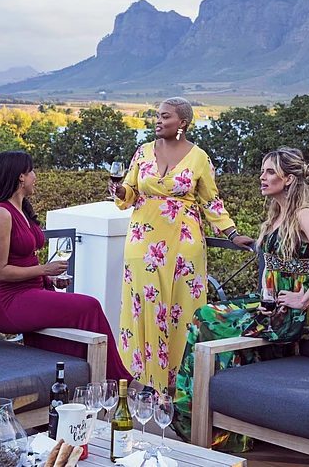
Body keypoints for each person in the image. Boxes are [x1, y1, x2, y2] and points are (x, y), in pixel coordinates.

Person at [171, 147, 309, 452]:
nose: (262, 177)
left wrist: (304, 299)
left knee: (207, 319)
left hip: (287, 313)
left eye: (270, 172)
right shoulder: (277, 214)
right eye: (262, 171)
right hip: (267, 304)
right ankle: (199, 418)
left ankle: (195, 419)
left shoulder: (303, 215)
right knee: (204, 317)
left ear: (289, 179)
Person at [109, 97, 254, 395]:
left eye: (165, 116)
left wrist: (231, 233)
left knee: (181, 311)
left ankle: (179, 386)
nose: (158, 121)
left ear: (182, 123)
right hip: (142, 241)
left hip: (183, 243)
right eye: (157, 116)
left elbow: (211, 201)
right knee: (144, 307)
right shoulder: (143, 151)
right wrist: (120, 189)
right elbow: (131, 192)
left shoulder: (199, 157)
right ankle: (147, 382)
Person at [0, 150, 133, 383]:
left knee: (78, 314)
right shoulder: (1, 214)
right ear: (21, 176)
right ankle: (120, 382)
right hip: (7, 302)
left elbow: (23, 262)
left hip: (31, 292)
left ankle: (77, 382)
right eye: (32, 171)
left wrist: (49, 280)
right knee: (89, 306)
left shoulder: (22, 211)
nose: (35, 176)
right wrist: (45, 270)